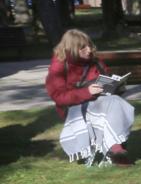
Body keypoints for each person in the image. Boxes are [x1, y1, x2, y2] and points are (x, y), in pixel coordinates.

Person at [44, 28, 135, 167]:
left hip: (100, 102)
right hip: (74, 109)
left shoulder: (95, 62)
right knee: (114, 104)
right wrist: (87, 92)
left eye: (90, 46)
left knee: (115, 101)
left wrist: (116, 86)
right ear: (72, 49)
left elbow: (106, 79)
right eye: (83, 48)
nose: (89, 50)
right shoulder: (60, 65)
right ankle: (116, 148)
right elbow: (59, 97)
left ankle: (116, 149)